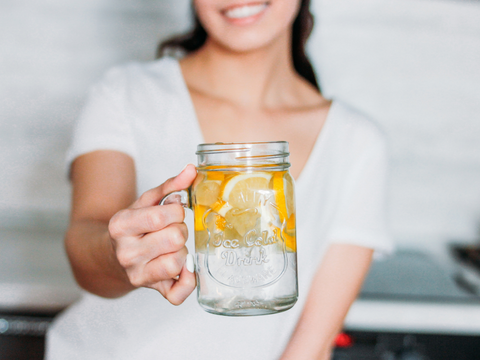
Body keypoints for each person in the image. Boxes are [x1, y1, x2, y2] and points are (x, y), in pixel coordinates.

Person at [46, 0, 393, 359]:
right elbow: (85, 245)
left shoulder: (356, 142)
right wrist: (119, 254)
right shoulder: (125, 92)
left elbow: (311, 347)